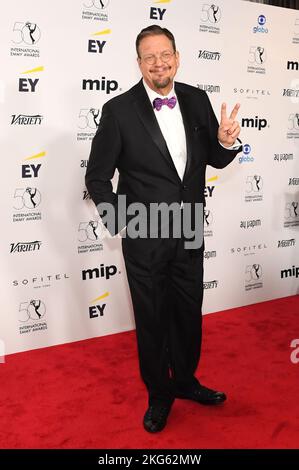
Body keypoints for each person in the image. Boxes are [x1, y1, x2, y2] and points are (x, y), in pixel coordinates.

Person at [85, 25, 242, 433]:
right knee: (153, 317)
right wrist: (123, 222)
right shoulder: (119, 110)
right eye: (150, 56)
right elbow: (97, 178)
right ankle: (159, 393)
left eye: (165, 54)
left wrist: (224, 142)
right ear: (139, 63)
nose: (159, 62)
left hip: (189, 226)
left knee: (189, 313)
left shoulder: (196, 98)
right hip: (145, 234)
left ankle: (186, 381)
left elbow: (213, 159)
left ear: (177, 56)